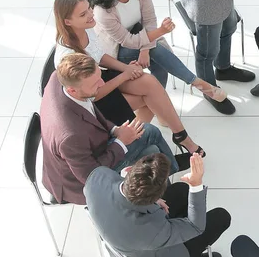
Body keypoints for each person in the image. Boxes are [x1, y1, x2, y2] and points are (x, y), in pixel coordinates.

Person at [54, 0, 205, 157]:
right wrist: (123, 76)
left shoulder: (86, 28)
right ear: (67, 21)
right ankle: (136, 140)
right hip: (92, 102)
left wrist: (125, 68)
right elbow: (91, 95)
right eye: (83, 14)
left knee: (149, 82)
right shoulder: (67, 57)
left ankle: (180, 136)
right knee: (149, 100)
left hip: (99, 77)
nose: (91, 14)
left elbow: (100, 56)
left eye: (89, 8)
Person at [41, 53, 182, 205]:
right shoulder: (70, 136)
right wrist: (121, 142)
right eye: (95, 84)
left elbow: (90, 111)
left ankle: (169, 174)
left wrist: (115, 130)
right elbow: (91, 175)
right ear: (72, 90)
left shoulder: (59, 78)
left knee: (150, 139)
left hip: (88, 150)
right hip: (82, 180)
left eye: (99, 77)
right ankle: (168, 180)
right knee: (151, 141)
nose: (102, 84)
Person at [85, 153, 231, 257]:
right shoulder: (152, 230)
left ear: (130, 170)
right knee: (221, 217)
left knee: (181, 190)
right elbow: (196, 227)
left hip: (119, 232)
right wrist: (196, 184)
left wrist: (152, 200)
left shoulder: (98, 177)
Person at [91, 0, 226, 104]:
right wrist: (160, 32)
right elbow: (128, 41)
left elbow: (149, 21)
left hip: (142, 36)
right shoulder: (103, 12)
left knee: (159, 66)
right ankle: (196, 82)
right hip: (118, 51)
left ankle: (158, 105)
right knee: (156, 50)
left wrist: (145, 50)